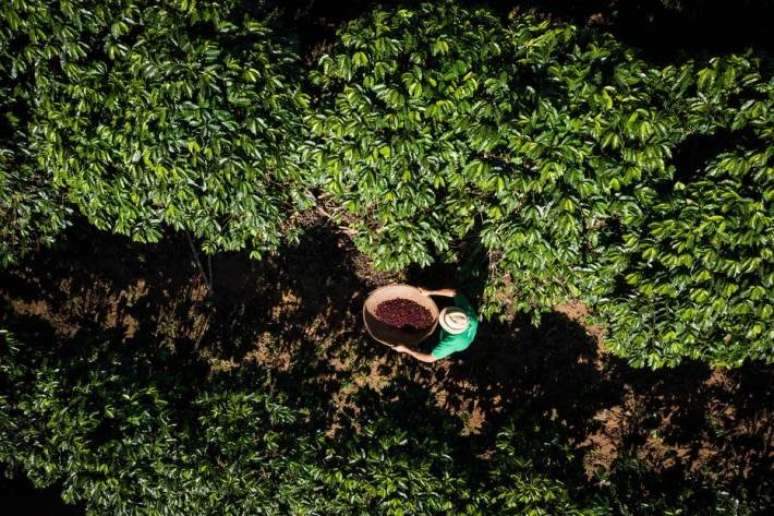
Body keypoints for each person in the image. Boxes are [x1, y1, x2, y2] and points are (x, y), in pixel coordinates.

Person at [392, 287, 478, 363]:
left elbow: (430, 358)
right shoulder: (467, 314)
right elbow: (455, 293)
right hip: (467, 335)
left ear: (448, 330)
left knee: (430, 345)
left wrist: (406, 350)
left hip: (461, 344)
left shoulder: (449, 342)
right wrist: (430, 292)